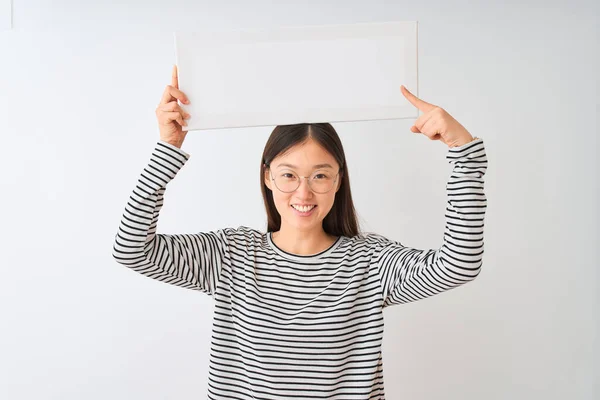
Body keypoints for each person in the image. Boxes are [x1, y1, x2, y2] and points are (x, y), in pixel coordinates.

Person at [112, 65, 487, 399]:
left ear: (339, 180)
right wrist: (168, 147)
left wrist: (463, 152)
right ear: (267, 176)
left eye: (320, 175)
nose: (303, 193)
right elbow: (131, 249)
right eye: (289, 175)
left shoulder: (371, 263)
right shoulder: (229, 255)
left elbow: (459, 264)